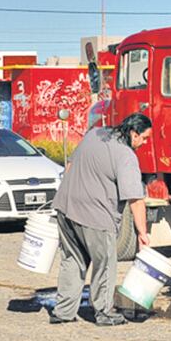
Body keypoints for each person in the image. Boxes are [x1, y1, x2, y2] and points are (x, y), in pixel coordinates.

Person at [49, 113, 151, 326]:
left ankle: (63, 312)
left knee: (72, 260)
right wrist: (142, 233)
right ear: (134, 134)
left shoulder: (94, 134)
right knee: (104, 263)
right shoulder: (125, 155)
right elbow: (135, 199)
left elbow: (70, 167)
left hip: (66, 207)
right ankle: (104, 312)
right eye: (144, 138)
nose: (145, 143)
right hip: (96, 215)